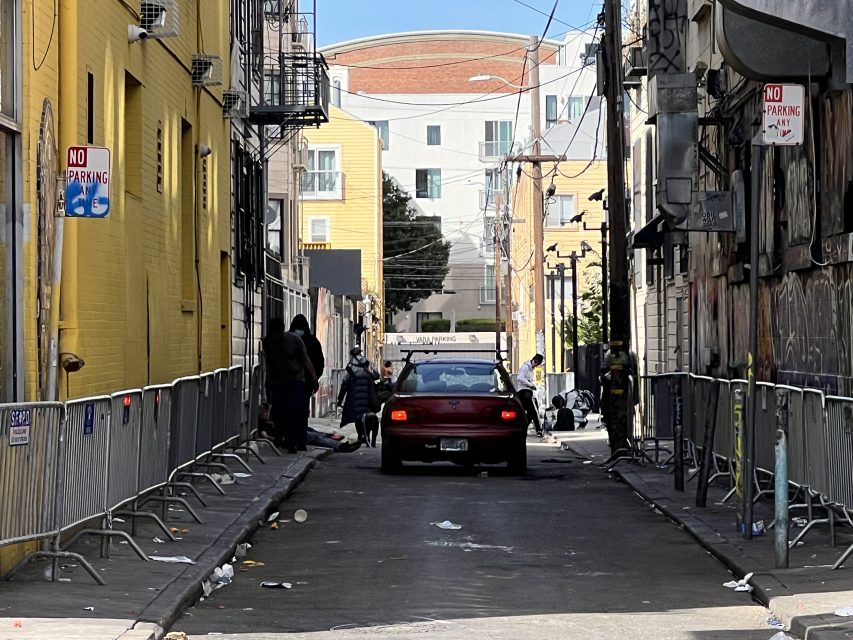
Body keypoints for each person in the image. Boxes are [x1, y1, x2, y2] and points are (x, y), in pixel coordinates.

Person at [263, 317, 317, 453]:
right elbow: (268, 361)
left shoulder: (294, 340)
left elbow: (305, 359)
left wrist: (314, 378)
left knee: (295, 412)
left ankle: (293, 441)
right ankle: (282, 438)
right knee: (279, 411)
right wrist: (268, 378)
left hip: (296, 381)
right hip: (278, 382)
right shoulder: (268, 342)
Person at [337, 349, 380, 446]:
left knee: (358, 417)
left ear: (352, 355)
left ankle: (361, 435)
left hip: (354, 397)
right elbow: (376, 375)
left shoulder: (350, 367)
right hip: (368, 397)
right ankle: (367, 436)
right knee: (368, 415)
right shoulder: (368, 364)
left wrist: (340, 399)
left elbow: (345, 384)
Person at [289, 314, 325, 419]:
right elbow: (319, 363)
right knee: (303, 408)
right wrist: (314, 379)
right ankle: (301, 431)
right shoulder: (313, 341)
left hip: (289, 381)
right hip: (306, 382)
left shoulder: (287, 340)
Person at [517, 353, 544, 436]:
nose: (535, 364)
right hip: (524, 392)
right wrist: (530, 385)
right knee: (534, 411)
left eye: (537, 364)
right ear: (533, 360)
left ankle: (523, 427)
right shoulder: (525, 367)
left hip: (527, 392)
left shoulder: (531, 369)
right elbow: (519, 378)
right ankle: (538, 430)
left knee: (530, 412)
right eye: (535, 362)